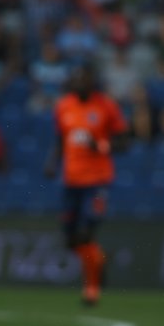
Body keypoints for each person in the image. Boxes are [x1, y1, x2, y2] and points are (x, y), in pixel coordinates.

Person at [45, 62, 128, 307]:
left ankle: (92, 290)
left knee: (86, 233)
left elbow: (124, 142)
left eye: (84, 79)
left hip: (97, 181)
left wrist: (100, 146)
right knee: (71, 239)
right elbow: (61, 139)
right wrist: (52, 162)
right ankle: (98, 260)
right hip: (71, 180)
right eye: (76, 79)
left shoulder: (106, 106)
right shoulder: (63, 105)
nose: (79, 83)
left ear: (92, 82)